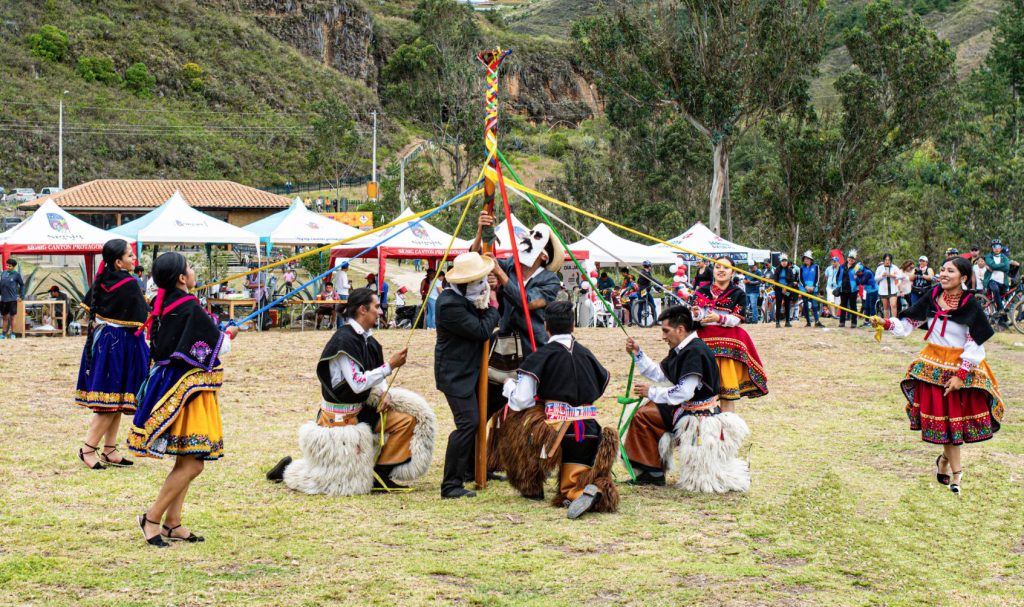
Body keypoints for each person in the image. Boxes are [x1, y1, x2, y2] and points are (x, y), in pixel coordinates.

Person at [265, 288, 435, 495]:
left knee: (408, 420)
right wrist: (390, 365)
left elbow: (376, 378)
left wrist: (384, 394)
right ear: (363, 309)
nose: (380, 312)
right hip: (341, 418)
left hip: (363, 409)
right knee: (326, 482)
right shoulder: (344, 340)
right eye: (376, 307)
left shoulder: (369, 341)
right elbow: (357, 383)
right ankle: (286, 470)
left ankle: (380, 474)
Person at [127, 252, 240, 546]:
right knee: (193, 463)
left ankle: (173, 523)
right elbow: (214, 347)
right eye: (189, 268)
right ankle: (151, 518)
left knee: (186, 457)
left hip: (175, 385)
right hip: (186, 391)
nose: (192, 271)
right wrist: (229, 335)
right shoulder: (188, 307)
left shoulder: (165, 305)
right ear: (181, 278)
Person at [872, 257, 1004, 495]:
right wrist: (886, 323)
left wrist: (961, 376)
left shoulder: (970, 305)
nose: (943, 274)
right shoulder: (933, 295)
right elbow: (907, 325)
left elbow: (975, 345)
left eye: (949, 271)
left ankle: (947, 464)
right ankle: (956, 473)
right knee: (945, 424)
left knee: (954, 425)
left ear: (963, 278)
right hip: (932, 367)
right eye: (942, 270)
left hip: (959, 368)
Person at [497, 301, 620, 518]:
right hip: (589, 431)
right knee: (570, 487)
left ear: (546, 326)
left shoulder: (540, 357)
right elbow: (600, 385)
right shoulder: (587, 354)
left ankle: (531, 485)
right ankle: (588, 490)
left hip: (552, 434)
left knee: (516, 422)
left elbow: (521, 401)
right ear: (573, 326)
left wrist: (508, 387)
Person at [623, 305, 750, 492]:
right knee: (644, 413)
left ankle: (652, 473)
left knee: (643, 416)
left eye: (666, 331)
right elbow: (660, 374)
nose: (663, 336)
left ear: (680, 329)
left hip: (698, 416)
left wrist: (651, 392)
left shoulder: (694, 351)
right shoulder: (684, 348)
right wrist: (638, 353)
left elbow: (684, 392)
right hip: (686, 409)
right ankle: (651, 471)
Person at [74, 239, 151, 469]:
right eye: (129, 256)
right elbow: (142, 316)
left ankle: (110, 450)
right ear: (118, 262)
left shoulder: (103, 279)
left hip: (103, 342)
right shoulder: (129, 282)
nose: (133, 259)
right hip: (119, 345)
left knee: (115, 400)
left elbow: (93, 312)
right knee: (108, 404)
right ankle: (88, 450)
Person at [434, 252, 501, 499]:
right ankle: (451, 484)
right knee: (468, 423)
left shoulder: (464, 298)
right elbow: (482, 329)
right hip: (455, 374)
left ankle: (474, 469)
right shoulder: (450, 304)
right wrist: (492, 302)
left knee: (486, 410)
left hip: (471, 370)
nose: (484, 285)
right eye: (479, 281)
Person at [472, 211, 563, 354]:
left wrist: (499, 274)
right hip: (506, 346)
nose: (530, 238)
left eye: (537, 236)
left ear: (544, 256)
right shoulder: (511, 265)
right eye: (531, 233)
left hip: (533, 347)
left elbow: (527, 303)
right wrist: (483, 231)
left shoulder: (551, 281)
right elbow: (480, 260)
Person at [693, 258, 769, 410]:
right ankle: (707, 428)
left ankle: (727, 431)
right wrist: (696, 314)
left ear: (732, 272)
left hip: (727, 347)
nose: (721, 270)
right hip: (704, 345)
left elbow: (737, 319)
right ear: (713, 270)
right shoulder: (701, 291)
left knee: (727, 394)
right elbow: (696, 317)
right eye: (717, 267)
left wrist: (719, 318)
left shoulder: (738, 293)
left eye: (726, 268)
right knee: (705, 395)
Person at [984, 239, 1010, 323]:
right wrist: (999, 266)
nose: (996, 248)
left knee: (1001, 300)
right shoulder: (988, 256)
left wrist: (994, 267)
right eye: (994, 246)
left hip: (1003, 282)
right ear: (992, 248)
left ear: (1001, 248)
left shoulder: (1005, 257)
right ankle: (1002, 312)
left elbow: (1006, 267)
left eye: (998, 246)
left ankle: (1001, 320)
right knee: (995, 290)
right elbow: (991, 264)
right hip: (992, 280)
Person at [798, 251, 825, 328]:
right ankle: (808, 322)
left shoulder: (816, 267)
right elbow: (800, 279)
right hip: (804, 288)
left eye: (808, 259)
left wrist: (813, 287)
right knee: (805, 305)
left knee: (814, 305)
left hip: (813, 288)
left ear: (811, 260)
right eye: (805, 259)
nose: (806, 260)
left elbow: (817, 278)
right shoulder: (801, 268)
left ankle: (817, 321)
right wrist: (806, 286)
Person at [0, 258, 25, 339]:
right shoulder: (3, 273)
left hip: (12, 300)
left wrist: (21, 296)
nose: (7, 267)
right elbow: (1, 285)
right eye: (7, 265)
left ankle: (13, 333)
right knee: (4, 317)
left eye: (10, 266)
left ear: (14, 267)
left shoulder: (16, 275)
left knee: (13, 317)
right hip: (4, 299)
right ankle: (3, 334)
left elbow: (22, 285)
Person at [836, 251, 860, 328]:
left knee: (853, 306)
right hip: (843, 288)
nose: (851, 260)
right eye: (850, 258)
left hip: (853, 289)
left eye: (853, 258)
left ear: (855, 260)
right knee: (843, 305)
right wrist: (839, 285)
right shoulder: (842, 266)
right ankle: (842, 322)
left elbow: (860, 279)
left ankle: (854, 322)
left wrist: (857, 279)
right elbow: (838, 276)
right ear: (847, 258)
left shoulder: (857, 267)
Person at [771, 254, 796, 328]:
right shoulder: (777, 269)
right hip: (779, 290)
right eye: (783, 261)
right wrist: (782, 287)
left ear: (787, 261)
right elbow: (775, 280)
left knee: (787, 305)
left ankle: (787, 321)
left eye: (785, 261)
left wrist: (787, 288)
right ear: (780, 262)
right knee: (778, 305)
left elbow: (792, 281)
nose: (784, 262)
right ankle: (777, 322)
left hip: (787, 290)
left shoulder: (790, 270)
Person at [876, 254, 901, 320]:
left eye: (889, 260)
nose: (887, 261)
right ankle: (886, 323)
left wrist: (893, 276)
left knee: (893, 305)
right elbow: (875, 279)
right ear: (883, 260)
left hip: (893, 290)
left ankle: (894, 323)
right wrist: (882, 276)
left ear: (891, 260)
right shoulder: (880, 268)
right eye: (886, 260)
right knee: (886, 307)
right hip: (883, 291)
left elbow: (901, 276)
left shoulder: (895, 267)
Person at [635, 261, 660, 325]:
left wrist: (655, 290)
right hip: (642, 291)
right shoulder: (643, 272)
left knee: (653, 305)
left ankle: (655, 321)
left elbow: (649, 283)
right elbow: (652, 279)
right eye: (650, 266)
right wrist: (661, 284)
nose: (651, 267)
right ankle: (640, 322)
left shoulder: (647, 273)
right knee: (640, 306)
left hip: (647, 291)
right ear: (649, 266)